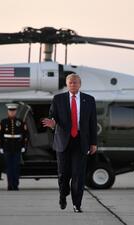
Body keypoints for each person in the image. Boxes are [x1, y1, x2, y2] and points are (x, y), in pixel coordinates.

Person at [42, 73, 97, 213]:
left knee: (78, 174)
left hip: (81, 141)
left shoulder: (89, 100)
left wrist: (93, 143)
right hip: (63, 141)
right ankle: (63, 194)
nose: (73, 85)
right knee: (63, 174)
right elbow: (52, 117)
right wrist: (53, 124)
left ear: (80, 84)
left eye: (76, 82)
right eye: (71, 82)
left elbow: (92, 123)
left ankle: (76, 204)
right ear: (67, 84)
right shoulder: (58, 99)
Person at [0, 103, 28, 191]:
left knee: (16, 167)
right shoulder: (3, 122)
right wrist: (1, 147)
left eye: (13, 111)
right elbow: (0, 136)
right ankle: (10, 185)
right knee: (9, 167)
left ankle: (15, 185)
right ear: (8, 112)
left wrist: (23, 146)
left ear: (16, 112)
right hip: (7, 146)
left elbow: (25, 135)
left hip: (17, 146)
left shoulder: (20, 122)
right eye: (10, 111)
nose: (12, 113)